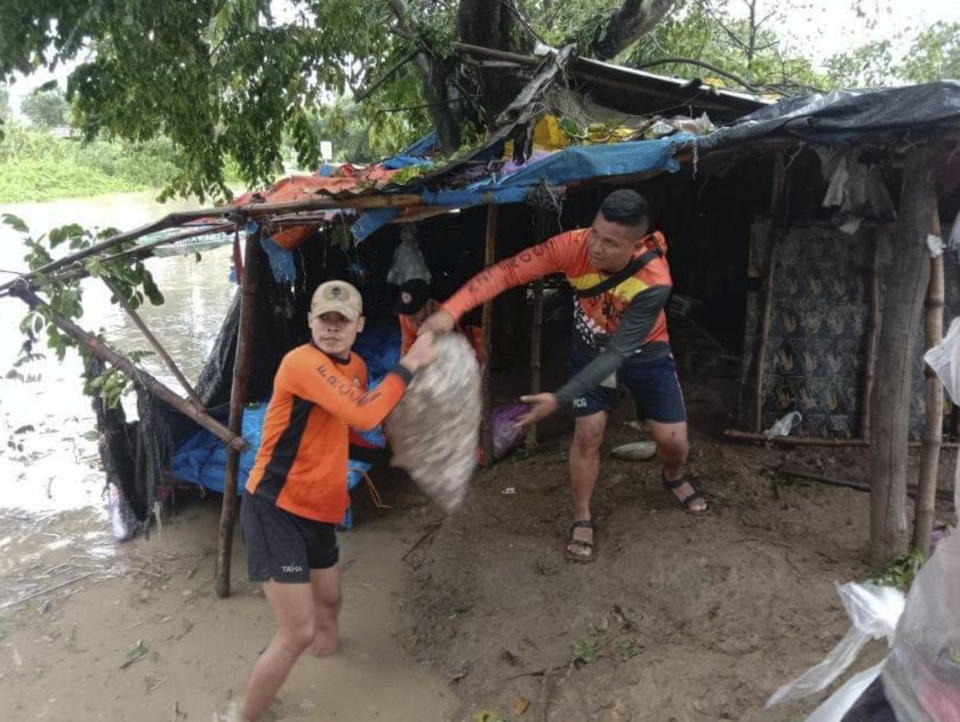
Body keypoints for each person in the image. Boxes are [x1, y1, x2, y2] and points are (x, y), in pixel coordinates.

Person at [420, 189, 706, 563]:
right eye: (595, 233)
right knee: (588, 433)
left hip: (644, 352)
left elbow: (618, 354)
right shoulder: (570, 245)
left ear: (636, 245)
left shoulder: (655, 282)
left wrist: (559, 397)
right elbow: (506, 272)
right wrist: (451, 311)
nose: (597, 248)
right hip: (590, 348)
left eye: (611, 243)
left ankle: (672, 474)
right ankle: (582, 516)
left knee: (673, 442)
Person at [234, 280, 435, 722]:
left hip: (321, 508)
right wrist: (411, 362)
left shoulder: (358, 367)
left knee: (330, 602)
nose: (331, 327)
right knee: (297, 631)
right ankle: (241, 716)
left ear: (358, 326)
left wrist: (391, 452)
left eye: (341, 321)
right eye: (323, 319)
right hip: (276, 506)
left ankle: (330, 667)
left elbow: (348, 425)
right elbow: (365, 413)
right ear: (309, 322)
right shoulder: (301, 362)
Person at [396, 277, 482, 360]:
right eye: (409, 316)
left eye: (415, 312)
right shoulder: (404, 316)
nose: (411, 318)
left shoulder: (448, 316)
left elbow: (463, 350)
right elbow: (407, 345)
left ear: (429, 304)